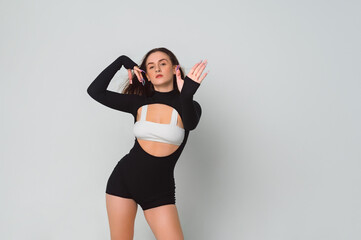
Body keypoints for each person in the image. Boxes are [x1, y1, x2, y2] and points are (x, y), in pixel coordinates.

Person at [87, 47, 208, 240]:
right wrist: (121, 60)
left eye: (163, 63)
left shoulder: (190, 105)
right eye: (151, 67)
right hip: (123, 181)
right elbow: (95, 91)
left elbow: (191, 124)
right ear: (148, 76)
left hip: (159, 191)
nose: (157, 69)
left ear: (175, 69)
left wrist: (186, 95)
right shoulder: (138, 102)